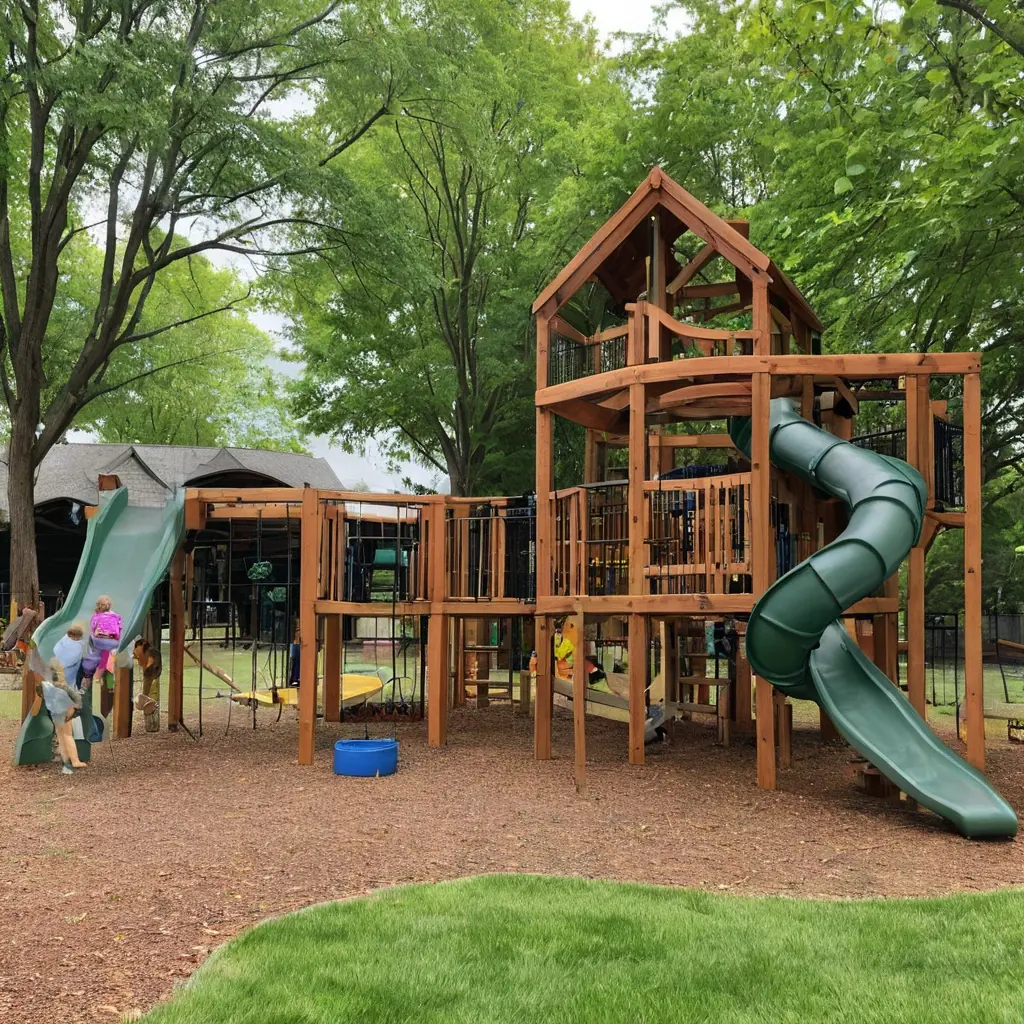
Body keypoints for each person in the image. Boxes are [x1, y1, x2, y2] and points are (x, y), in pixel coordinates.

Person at [40, 640, 86, 773]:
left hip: (54, 705)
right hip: (64, 703)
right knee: (67, 734)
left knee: (60, 733)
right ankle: (75, 760)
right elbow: (71, 691)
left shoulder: (49, 665)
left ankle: (65, 759)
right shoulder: (64, 669)